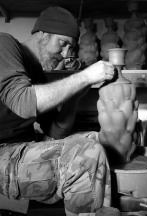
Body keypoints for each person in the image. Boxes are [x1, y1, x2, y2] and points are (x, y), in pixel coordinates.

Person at [0, 6, 116, 216]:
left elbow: (56, 132)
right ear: (41, 33)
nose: (64, 55)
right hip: (2, 151)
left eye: (69, 48)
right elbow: (23, 101)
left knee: (95, 139)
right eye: (62, 44)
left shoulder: (36, 73)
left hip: (18, 147)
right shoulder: (4, 44)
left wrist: (75, 98)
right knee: (85, 156)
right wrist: (85, 76)